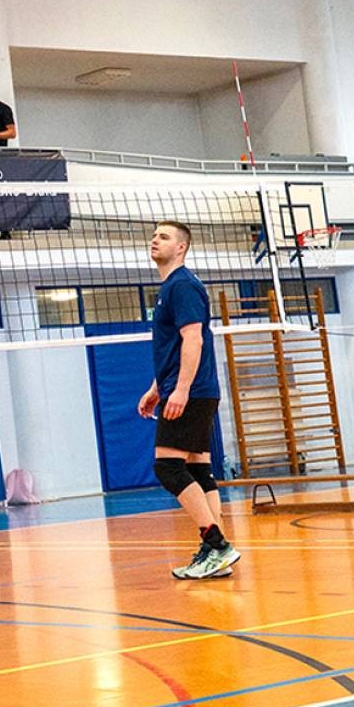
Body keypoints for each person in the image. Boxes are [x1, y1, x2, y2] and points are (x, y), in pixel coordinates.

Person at [137, 221, 234, 580]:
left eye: (163, 236)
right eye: (154, 235)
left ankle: (217, 545)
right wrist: (158, 387)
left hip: (192, 391)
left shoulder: (182, 286)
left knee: (167, 467)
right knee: (196, 468)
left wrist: (179, 390)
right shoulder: (171, 287)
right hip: (191, 389)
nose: (154, 240)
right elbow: (174, 348)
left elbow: (194, 340)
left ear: (181, 247)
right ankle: (216, 555)